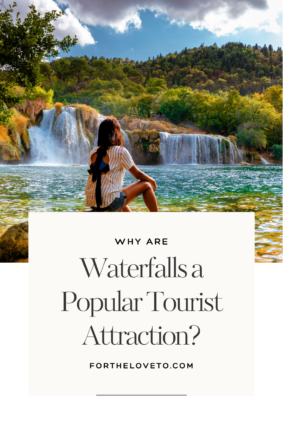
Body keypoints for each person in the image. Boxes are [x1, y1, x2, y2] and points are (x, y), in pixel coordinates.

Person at [85, 118, 158, 212]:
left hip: (92, 202)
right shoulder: (120, 152)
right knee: (146, 185)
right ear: (116, 133)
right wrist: (152, 180)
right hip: (110, 203)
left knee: (118, 194)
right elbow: (137, 174)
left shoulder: (93, 152)